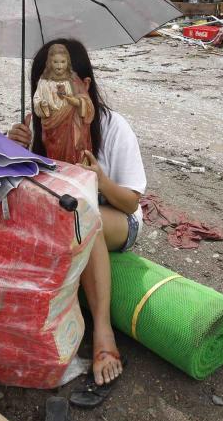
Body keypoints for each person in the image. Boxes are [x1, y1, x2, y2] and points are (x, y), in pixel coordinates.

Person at [9, 39, 146, 386]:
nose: (54, 93)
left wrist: (99, 178)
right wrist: (10, 149)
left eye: (63, 83)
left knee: (87, 221)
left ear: (84, 85)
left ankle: (102, 334)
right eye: (46, 84)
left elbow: (131, 202)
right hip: (59, 222)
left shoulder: (114, 127)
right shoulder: (37, 123)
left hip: (114, 217)